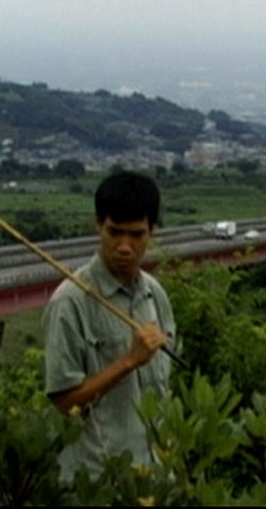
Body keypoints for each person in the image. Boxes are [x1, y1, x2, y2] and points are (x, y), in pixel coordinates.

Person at [42, 170, 176, 481]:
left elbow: (163, 388)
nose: (125, 247)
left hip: (153, 477)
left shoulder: (154, 295)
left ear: (152, 232)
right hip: (97, 482)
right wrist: (129, 361)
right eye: (114, 232)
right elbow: (64, 403)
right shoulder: (70, 301)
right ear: (98, 225)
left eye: (136, 235)